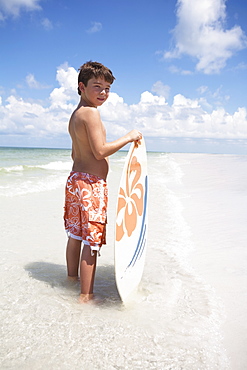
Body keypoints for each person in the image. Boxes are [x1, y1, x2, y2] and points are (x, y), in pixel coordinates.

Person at [64, 61, 142, 303]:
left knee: (75, 235)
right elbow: (100, 151)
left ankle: (71, 280)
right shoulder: (92, 113)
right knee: (92, 240)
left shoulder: (75, 115)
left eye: (107, 88)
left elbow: (76, 154)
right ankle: (86, 297)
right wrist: (129, 137)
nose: (103, 93)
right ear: (82, 86)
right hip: (91, 185)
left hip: (75, 181)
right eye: (97, 87)